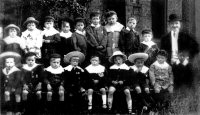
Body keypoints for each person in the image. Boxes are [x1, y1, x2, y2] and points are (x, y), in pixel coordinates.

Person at [160, 13, 199, 88]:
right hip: (171, 66)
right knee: (173, 88)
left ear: (180, 24)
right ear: (169, 25)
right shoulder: (164, 39)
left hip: (185, 65)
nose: (174, 25)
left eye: (176, 23)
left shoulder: (186, 36)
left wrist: (187, 56)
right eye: (172, 23)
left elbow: (196, 47)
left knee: (186, 88)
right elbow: (163, 53)